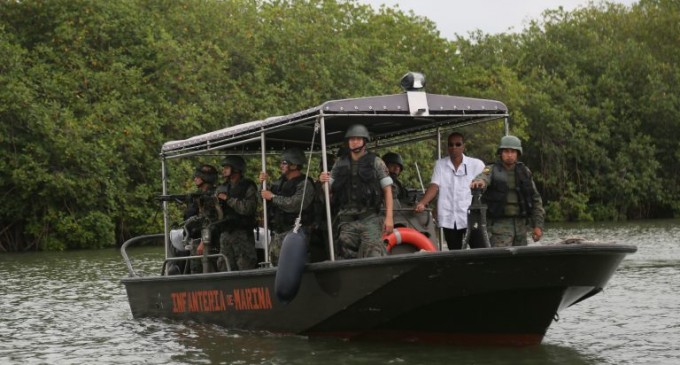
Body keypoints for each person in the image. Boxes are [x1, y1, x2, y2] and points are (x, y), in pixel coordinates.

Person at [318, 124, 394, 259]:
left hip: (369, 218)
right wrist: (323, 180)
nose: (354, 142)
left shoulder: (376, 162)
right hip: (346, 221)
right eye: (352, 139)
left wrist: (389, 218)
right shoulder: (339, 163)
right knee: (345, 257)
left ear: (365, 141)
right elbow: (328, 189)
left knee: (374, 256)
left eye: (358, 139)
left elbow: (387, 191)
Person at [469, 135, 545, 247]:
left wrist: (538, 226)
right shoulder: (492, 169)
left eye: (513, 152)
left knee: (520, 259)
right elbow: (483, 177)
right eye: (506, 151)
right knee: (501, 259)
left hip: (520, 226)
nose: (509, 155)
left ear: (518, 154)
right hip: (499, 227)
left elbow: (535, 199)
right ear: (500, 153)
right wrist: (480, 182)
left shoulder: (525, 172)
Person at [415, 132, 485, 250]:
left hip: (472, 217)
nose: (454, 147)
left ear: (463, 146)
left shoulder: (476, 164)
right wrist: (422, 202)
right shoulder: (440, 164)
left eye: (458, 144)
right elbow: (434, 186)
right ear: (447, 147)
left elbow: (486, 182)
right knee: (454, 253)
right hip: (449, 218)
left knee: (479, 250)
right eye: (451, 145)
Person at [259, 148, 315, 266]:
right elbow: (264, 199)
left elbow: (295, 204)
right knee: (275, 267)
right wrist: (262, 184)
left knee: (294, 267)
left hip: (296, 233)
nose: (281, 166)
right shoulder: (279, 183)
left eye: (284, 163)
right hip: (278, 233)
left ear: (294, 165)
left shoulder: (305, 184)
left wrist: (273, 197)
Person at [215, 155, 259, 271]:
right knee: (224, 265)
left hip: (242, 234)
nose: (224, 170)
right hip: (226, 233)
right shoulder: (221, 188)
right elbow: (215, 212)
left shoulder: (248, 186)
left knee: (245, 265)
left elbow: (248, 208)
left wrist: (228, 199)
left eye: (227, 167)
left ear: (236, 169)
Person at [184, 164, 220, 274]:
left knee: (202, 272)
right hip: (200, 240)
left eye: (197, 177)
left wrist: (203, 242)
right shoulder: (202, 195)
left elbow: (212, 221)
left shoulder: (210, 197)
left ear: (205, 178)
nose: (195, 179)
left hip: (207, 243)